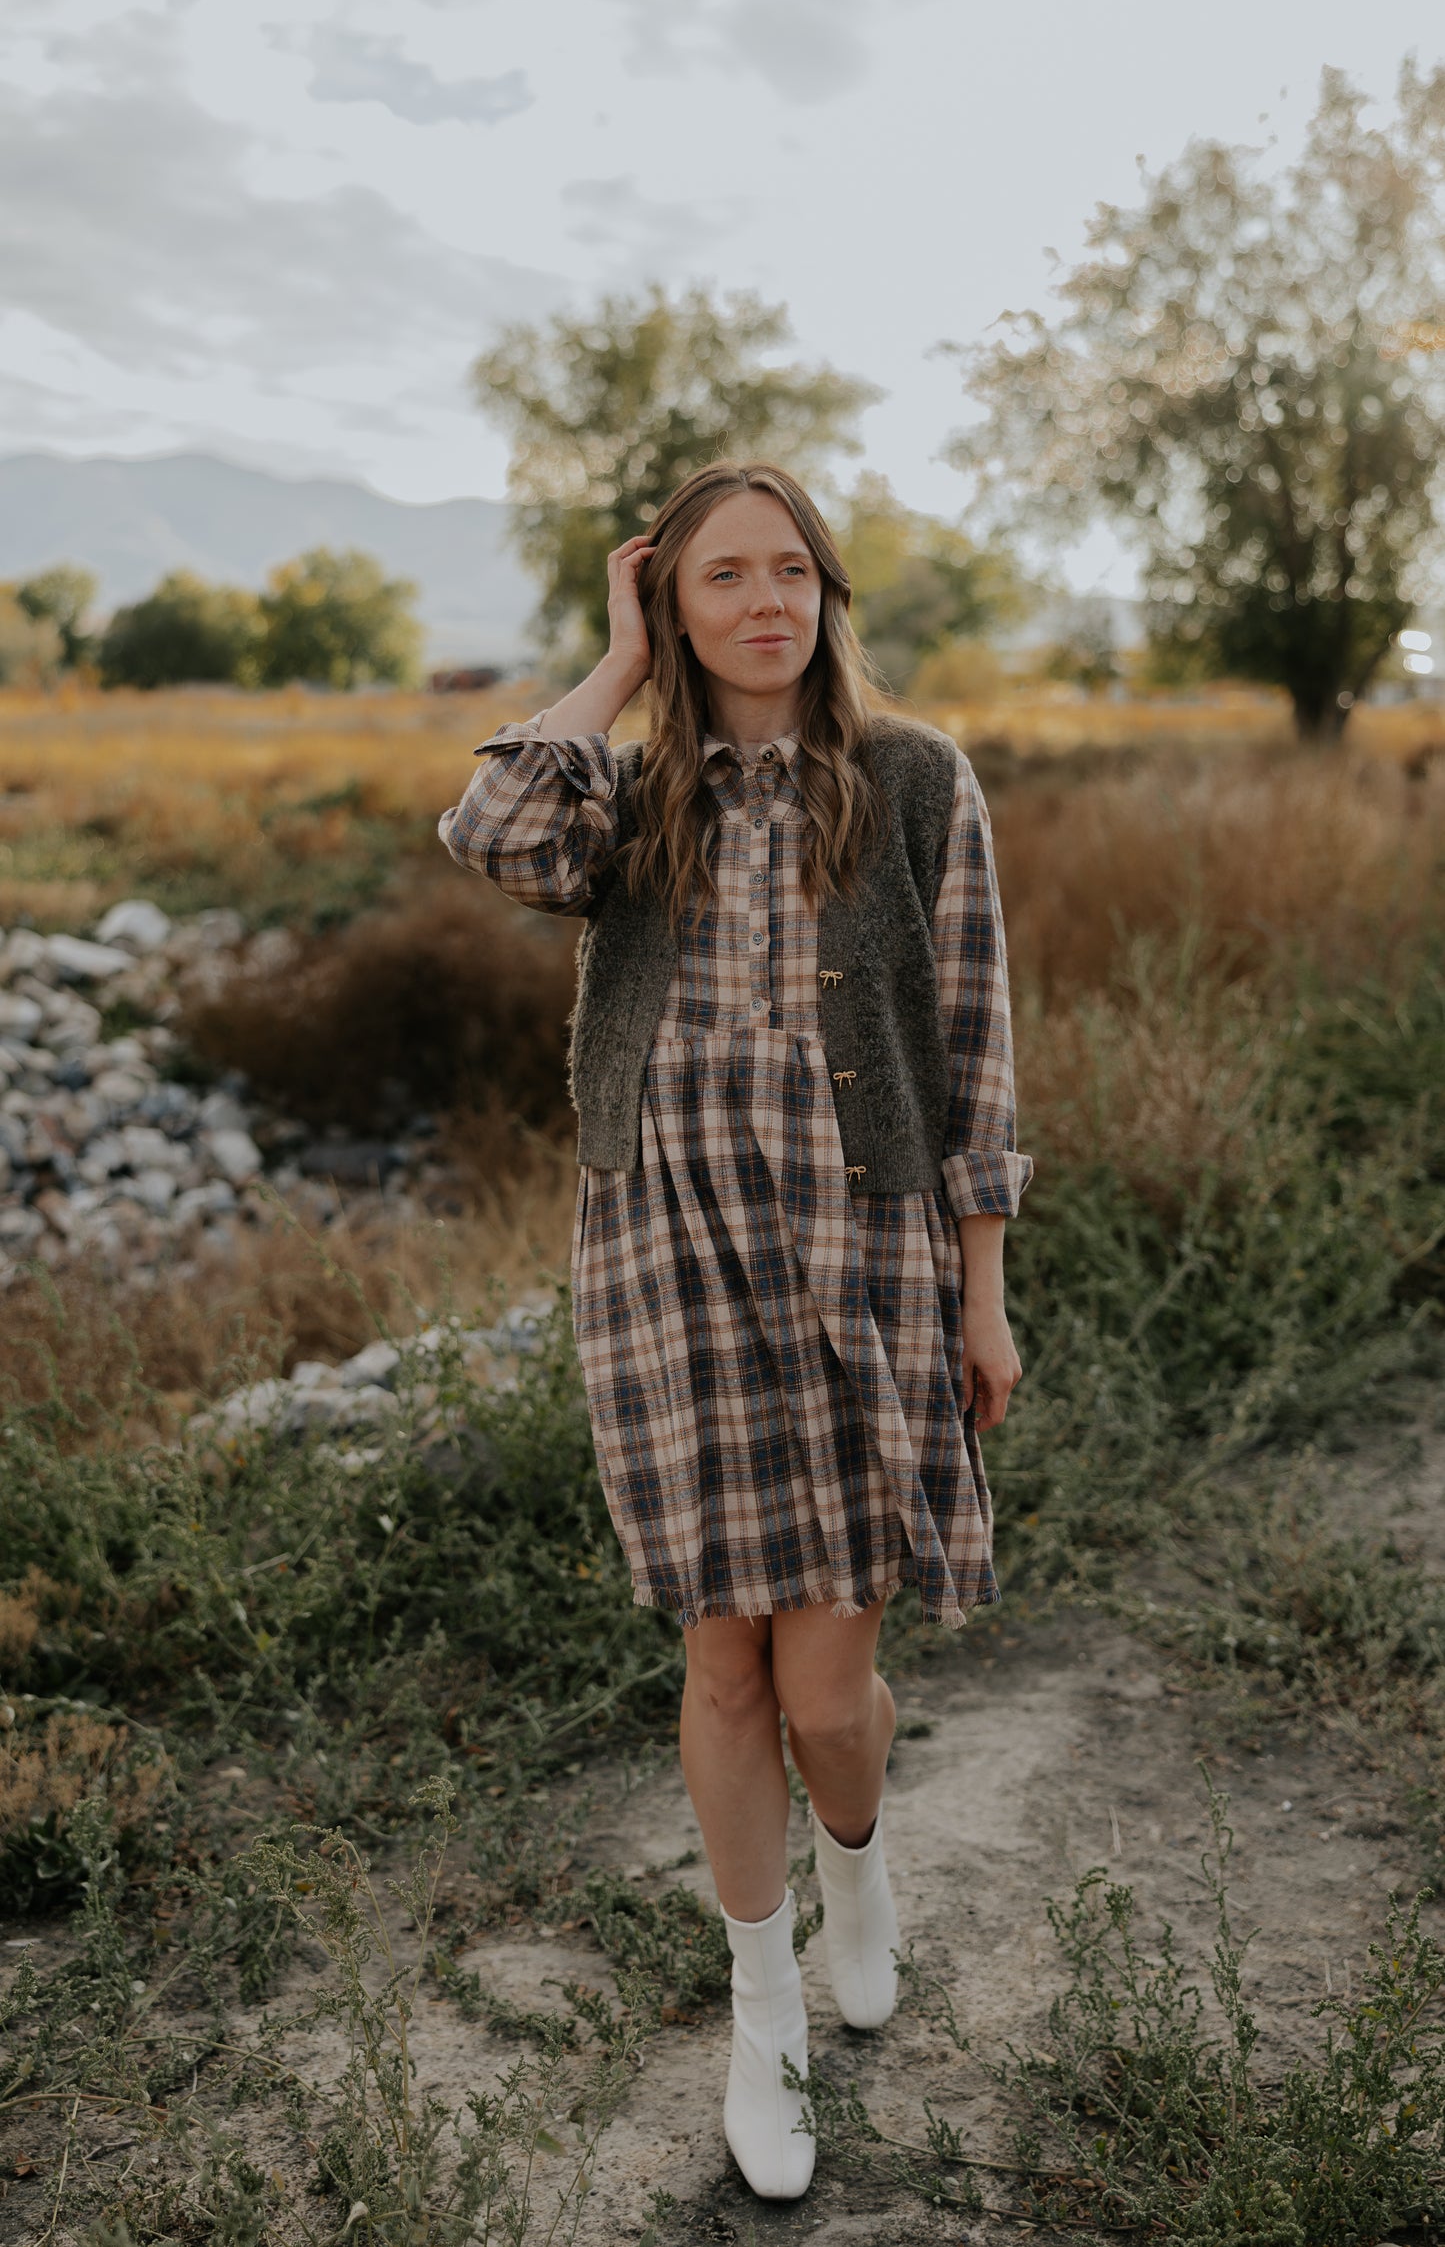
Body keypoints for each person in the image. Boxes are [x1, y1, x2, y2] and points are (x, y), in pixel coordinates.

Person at [439, 461, 1032, 2201]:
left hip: (865, 1261)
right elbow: (486, 835)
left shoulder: (914, 778)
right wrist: (613, 665)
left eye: (789, 569)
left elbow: (979, 1042)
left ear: (827, 589)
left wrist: (981, 1286)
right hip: (666, 1260)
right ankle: (758, 2002)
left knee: (830, 1684)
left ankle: (856, 1856)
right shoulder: (626, 795)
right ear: (674, 604)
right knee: (720, 1660)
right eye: (718, 578)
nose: (762, 600)